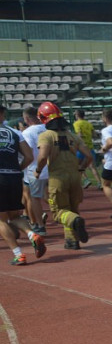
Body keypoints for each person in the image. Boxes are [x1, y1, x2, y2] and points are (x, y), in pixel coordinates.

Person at [35, 102, 92, 250]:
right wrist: (82, 168)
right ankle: (72, 241)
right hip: (75, 177)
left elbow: (42, 157)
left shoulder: (46, 136)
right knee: (71, 209)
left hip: (57, 178)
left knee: (59, 212)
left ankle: (76, 221)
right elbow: (89, 156)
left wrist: (38, 171)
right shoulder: (72, 136)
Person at [0, 105, 46, 265]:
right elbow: (28, 156)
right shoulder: (15, 133)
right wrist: (16, 169)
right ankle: (32, 234)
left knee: (1, 220)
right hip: (14, 176)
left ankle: (18, 254)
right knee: (15, 216)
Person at [19, 106, 48, 234]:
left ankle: (38, 224)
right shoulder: (47, 128)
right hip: (51, 168)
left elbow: (28, 153)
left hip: (35, 169)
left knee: (33, 197)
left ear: (26, 118)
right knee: (50, 195)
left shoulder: (27, 132)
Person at [72, 109, 102, 188]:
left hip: (81, 147)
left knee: (77, 165)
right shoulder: (88, 123)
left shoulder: (76, 123)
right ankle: (99, 183)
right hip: (90, 146)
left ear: (77, 115)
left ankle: (86, 180)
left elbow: (79, 134)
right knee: (92, 166)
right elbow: (94, 134)